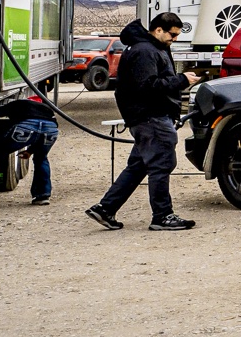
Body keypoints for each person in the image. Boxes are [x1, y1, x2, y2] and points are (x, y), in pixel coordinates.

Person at [86, 13, 201, 231]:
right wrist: (182, 80)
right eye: (172, 34)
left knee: (139, 166)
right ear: (158, 30)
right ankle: (162, 216)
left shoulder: (145, 48)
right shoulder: (145, 51)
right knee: (161, 164)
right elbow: (148, 86)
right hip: (152, 117)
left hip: (146, 117)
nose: (174, 39)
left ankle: (105, 208)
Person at [0, 94, 59, 211]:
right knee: (41, 158)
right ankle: (42, 195)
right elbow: (42, 128)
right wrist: (30, 151)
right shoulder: (46, 108)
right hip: (51, 128)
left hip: (26, 125)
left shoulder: (18, 104)